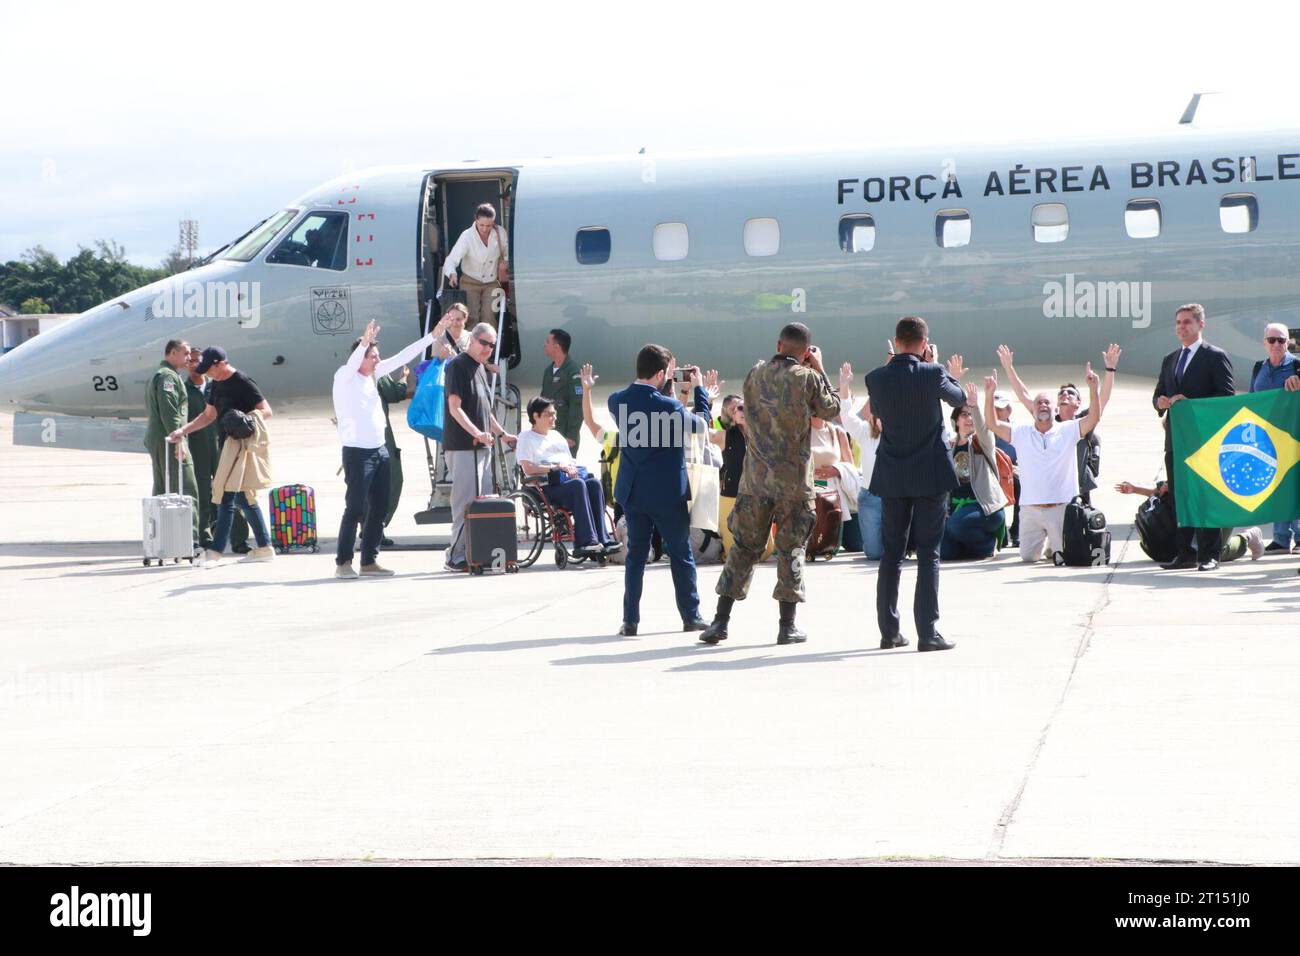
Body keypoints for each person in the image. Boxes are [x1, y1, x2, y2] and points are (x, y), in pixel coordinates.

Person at [700, 323, 840, 646]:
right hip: (793, 485)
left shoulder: (755, 375)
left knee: (744, 548)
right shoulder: (808, 378)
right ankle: (786, 626)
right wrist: (818, 369)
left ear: (778, 344)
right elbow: (831, 408)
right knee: (791, 550)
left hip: (755, 482)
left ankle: (720, 621)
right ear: (806, 352)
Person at [865, 316, 965, 652]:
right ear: (924, 344)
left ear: (895, 342)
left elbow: (877, 412)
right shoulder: (932, 373)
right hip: (930, 473)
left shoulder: (875, 378)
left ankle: (889, 631)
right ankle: (927, 632)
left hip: (893, 474)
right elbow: (959, 397)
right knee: (928, 553)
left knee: (891, 554)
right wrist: (936, 365)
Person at [608, 344, 712, 636]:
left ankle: (630, 621)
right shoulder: (671, 407)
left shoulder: (617, 401)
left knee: (636, 557)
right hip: (667, 493)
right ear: (660, 374)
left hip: (634, 492)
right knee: (680, 554)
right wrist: (701, 391)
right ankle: (691, 616)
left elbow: (647, 406)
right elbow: (701, 425)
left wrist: (663, 382)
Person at [333, 319, 438, 578]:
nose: (378, 361)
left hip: (380, 450)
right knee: (355, 507)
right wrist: (364, 342)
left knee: (379, 508)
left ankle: (369, 561)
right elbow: (353, 362)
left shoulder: (374, 375)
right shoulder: (344, 377)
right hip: (357, 452)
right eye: (373, 356)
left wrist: (432, 337)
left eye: (378, 356)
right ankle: (343, 563)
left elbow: (403, 356)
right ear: (360, 358)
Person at [987, 363, 1102, 563]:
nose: (1042, 406)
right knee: (1028, 557)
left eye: (1047, 403)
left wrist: (1093, 389)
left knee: (1062, 557)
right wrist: (989, 395)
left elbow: (1093, 418)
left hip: (1060, 508)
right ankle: (1045, 543)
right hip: (1030, 510)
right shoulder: (1021, 432)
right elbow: (993, 424)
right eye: (1039, 403)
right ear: (1032, 408)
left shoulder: (1067, 429)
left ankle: (1054, 543)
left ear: (1055, 408)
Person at [169, 346, 275, 562]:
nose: (207, 373)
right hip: (226, 446)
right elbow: (208, 416)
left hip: (243, 447)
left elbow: (267, 411)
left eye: (210, 368)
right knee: (244, 498)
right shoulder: (216, 384)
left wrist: (247, 420)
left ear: (221, 364)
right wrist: (183, 431)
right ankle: (265, 547)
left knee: (226, 495)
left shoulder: (243, 382)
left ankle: (215, 552)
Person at [1153, 303, 1236, 570]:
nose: (1181, 327)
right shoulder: (1170, 359)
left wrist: (1191, 403)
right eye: (1178, 322)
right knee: (1180, 497)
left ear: (1201, 324)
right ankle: (1185, 552)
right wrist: (1161, 402)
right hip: (1176, 441)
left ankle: (1210, 554)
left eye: (1187, 322)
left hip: (1205, 440)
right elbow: (1156, 396)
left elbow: (1226, 399)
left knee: (1205, 496)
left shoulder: (1215, 356)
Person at [998, 343, 1121, 504]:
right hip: (1050, 494)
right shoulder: (1047, 422)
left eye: (1071, 393)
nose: (1065, 394)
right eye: (1061, 393)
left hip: (1077, 495)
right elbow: (1024, 396)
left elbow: (1102, 399)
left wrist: (1110, 370)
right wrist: (1008, 367)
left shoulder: (1083, 422)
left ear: (1078, 403)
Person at [443, 322, 517, 571]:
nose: (488, 348)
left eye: (492, 345)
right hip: (464, 446)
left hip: (482, 448)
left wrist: (503, 434)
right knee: (465, 502)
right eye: (484, 342)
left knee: (480, 502)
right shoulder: (458, 366)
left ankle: (475, 552)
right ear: (472, 340)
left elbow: (487, 412)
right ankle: (455, 555)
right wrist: (476, 433)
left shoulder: (480, 369)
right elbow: (455, 407)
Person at [516, 396, 620, 556]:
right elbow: (528, 468)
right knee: (578, 485)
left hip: (565, 481)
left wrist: (572, 468)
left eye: (554, 413)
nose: (553, 418)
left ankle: (603, 539)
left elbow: (569, 461)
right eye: (548, 414)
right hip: (544, 487)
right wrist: (554, 468)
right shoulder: (526, 437)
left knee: (594, 484)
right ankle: (585, 542)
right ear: (535, 416)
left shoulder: (556, 436)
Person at [1116, 480, 1264, 563]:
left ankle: (1249, 537)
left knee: (1214, 552)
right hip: (1198, 521)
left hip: (1220, 513)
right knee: (1196, 551)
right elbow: (1160, 491)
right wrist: (1135, 489)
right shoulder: (1179, 456)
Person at [941, 381, 1008, 560]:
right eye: (965, 414)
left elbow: (983, 428)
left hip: (985, 508)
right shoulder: (949, 449)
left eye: (971, 415)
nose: (969, 418)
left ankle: (986, 544)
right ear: (955, 421)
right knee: (944, 552)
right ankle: (970, 547)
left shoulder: (982, 442)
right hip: (957, 509)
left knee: (954, 526)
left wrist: (975, 406)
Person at [144, 339, 201, 551]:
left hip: (163, 439)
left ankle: (163, 538)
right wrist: (178, 441)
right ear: (173, 352)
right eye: (185, 353)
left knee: (163, 488)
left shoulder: (166, 375)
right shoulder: (167, 377)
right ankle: (190, 539)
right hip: (170, 439)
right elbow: (170, 412)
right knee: (187, 486)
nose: (189, 358)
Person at [1248, 322, 1300, 552]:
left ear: (1288, 342)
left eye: (1282, 340)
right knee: (1278, 485)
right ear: (1264, 343)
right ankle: (1280, 538)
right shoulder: (1258, 367)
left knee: (1296, 484)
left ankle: (1299, 537)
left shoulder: (1298, 366)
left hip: (1294, 435)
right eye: (1272, 340)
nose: (1277, 344)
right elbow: (1250, 400)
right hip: (1268, 437)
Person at [837, 362, 883, 559]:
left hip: (899, 499)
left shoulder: (903, 433)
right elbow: (846, 417)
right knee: (873, 553)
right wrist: (845, 385)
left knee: (896, 550)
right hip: (870, 496)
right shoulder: (865, 431)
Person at [443, 203, 508, 329]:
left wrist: (505, 265)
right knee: (471, 318)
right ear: (475, 220)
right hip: (470, 282)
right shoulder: (467, 236)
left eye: (488, 225)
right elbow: (452, 259)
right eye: (481, 225)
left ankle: (489, 348)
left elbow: (507, 254)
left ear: (493, 222)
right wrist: (452, 273)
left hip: (494, 282)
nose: (484, 229)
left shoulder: (500, 232)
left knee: (490, 318)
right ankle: (470, 348)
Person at [185, 346, 219, 552]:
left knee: (230, 490)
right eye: (191, 361)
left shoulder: (216, 386)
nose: (195, 365)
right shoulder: (183, 389)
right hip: (197, 447)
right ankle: (204, 535)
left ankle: (239, 537)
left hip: (218, 444)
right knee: (202, 493)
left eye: (198, 360)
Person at [540, 328, 583, 453]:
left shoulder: (574, 371)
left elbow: (577, 405)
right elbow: (542, 401)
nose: (544, 345)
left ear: (556, 346)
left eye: (547, 342)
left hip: (565, 436)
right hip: (547, 435)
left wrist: (572, 435)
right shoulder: (548, 371)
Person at [992, 390, 1020, 546]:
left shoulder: (1017, 430)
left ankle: (1017, 532)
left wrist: (1016, 469)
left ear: (1009, 410)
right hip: (992, 474)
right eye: (993, 408)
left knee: (1022, 485)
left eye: (999, 408)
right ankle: (1000, 536)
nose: (995, 412)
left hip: (1013, 473)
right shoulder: (983, 430)